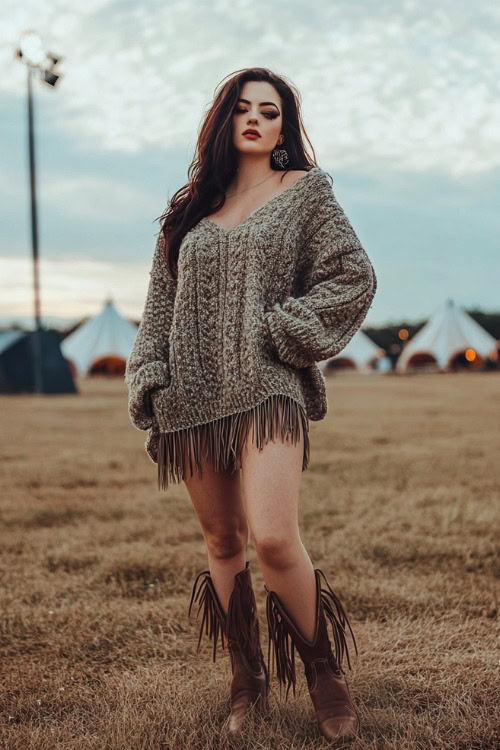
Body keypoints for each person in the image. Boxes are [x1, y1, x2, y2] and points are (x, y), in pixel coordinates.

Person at [125, 66, 377, 743]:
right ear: (225, 121)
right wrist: (150, 378)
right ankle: (248, 681)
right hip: (193, 398)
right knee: (223, 541)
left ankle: (325, 673)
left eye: (271, 110)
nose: (256, 119)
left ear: (285, 126)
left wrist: (283, 331)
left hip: (269, 387)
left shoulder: (306, 193)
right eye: (243, 108)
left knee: (272, 536)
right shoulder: (189, 209)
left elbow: (352, 276)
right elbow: (158, 307)